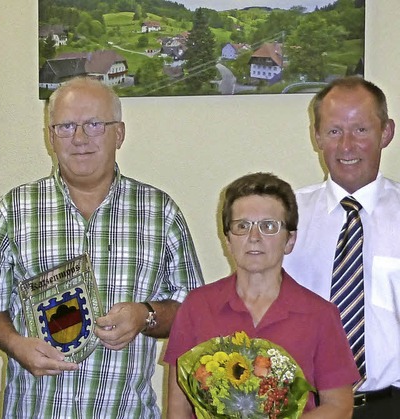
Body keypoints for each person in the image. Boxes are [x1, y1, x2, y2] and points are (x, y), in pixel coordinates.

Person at [0, 77, 203, 418]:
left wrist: (145, 315)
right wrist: (16, 345)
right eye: (66, 126)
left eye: (94, 125)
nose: (80, 138)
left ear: (120, 133)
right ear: (50, 136)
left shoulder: (161, 212)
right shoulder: (12, 211)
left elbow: (194, 311)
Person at [165, 172, 359, 418]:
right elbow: (178, 409)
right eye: (242, 226)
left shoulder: (320, 315)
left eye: (269, 226)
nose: (254, 237)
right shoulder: (196, 306)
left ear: (289, 240)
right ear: (227, 240)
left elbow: (340, 407)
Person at [283, 76, 400, 417]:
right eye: (334, 131)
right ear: (316, 136)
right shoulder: (286, 216)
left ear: (386, 133)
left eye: (361, 130)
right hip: (305, 406)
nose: (347, 146)